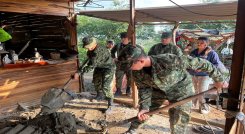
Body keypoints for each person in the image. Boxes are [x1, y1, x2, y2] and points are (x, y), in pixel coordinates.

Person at [117, 45, 225, 134]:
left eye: (130, 66)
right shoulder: (136, 71)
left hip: (181, 91)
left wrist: (219, 80)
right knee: (143, 113)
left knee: (178, 123)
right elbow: (143, 88)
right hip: (158, 91)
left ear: (140, 60)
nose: (129, 69)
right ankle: (131, 131)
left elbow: (204, 64)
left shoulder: (170, 60)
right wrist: (144, 107)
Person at [74, 37, 115, 109]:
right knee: (96, 81)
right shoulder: (90, 50)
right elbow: (87, 60)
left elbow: (91, 66)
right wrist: (79, 70)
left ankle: (111, 104)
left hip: (108, 68)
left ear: (95, 44)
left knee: (106, 86)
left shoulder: (98, 52)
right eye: (87, 47)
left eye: (90, 47)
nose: (89, 49)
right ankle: (99, 96)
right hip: (99, 66)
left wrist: (80, 73)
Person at [189, 36, 224, 114]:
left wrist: (203, 69)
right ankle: (192, 105)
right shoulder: (194, 52)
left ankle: (205, 107)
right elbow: (190, 62)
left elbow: (216, 65)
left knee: (202, 91)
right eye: (198, 42)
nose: (199, 44)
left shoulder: (212, 53)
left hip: (205, 75)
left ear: (206, 44)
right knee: (192, 90)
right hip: (193, 74)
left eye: (201, 43)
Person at [111, 32, 132, 96]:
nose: (123, 39)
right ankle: (118, 90)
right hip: (120, 64)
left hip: (130, 64)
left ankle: (128, 89)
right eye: (122, 38)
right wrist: (114, 58)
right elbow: (112, 52)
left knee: (130, 77)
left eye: (124, 38)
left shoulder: (132, 45)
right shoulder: (118, 45)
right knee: (118, 77)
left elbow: (138, 54)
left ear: (128, 38)